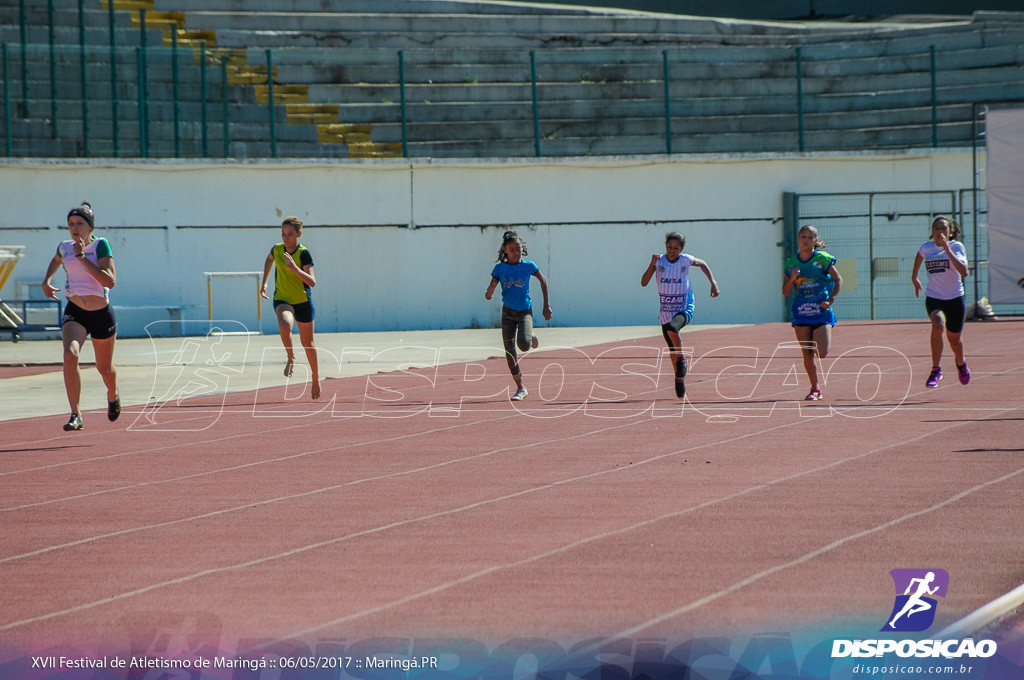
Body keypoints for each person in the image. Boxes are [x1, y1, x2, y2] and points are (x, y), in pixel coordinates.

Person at [41, 202, 120, 431]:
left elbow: (110, 281)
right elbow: (56, 260)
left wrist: (83, 259)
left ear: (90, 227)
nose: (75, 228)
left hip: (101, 314)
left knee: (104, 368)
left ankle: (113, 394)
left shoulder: (100, 246)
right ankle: (76, 414)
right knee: (70, 354)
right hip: (75, 311)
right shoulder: (64, 247)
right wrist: (46, 281)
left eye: (80, 224)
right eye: (71, 224)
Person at [640, 231, 720, 398]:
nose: (672, 251)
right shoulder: (659, 261)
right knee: (671, 349)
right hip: (665, 310)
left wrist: (713, 283)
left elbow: (703, 263)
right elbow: (644, 282)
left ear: (682, 249)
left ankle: (682, 360)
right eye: (669, 247)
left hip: (684, 307)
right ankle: (679, 378)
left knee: (673, 328)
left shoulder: (685, 260)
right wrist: (651, 264)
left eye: (676, 248)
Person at [484, 230, 553, 402]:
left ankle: (530, 333)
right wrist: (489, 292)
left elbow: (543, 281)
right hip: (508, 313)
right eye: (512, 249)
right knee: (509, 351)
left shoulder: (528, 266)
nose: (516, 252)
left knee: (523, 345)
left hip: (524, 312)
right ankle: (521, 387)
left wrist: (546, 306)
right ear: (505, 251)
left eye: (518, 249)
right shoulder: (500, 268)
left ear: (523, 249)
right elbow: (493, 283)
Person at [260, 216, 321, 400]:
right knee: (285, 325)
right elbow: (269, 260)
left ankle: (316, 377)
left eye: (290, 235)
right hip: (283, 299)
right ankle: (291, 357)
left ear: (298, 234)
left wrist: (295, 268)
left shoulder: (304, 254)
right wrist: (264, 283)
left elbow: (312, 282)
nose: (285, 238)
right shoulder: (277, 249)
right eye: (283, 234)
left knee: (308, 343)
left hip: (302, 301)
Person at [782, 224, 842, 401]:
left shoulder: (823, 259)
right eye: (803, 236)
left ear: (815, 240)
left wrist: (830, 299)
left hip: (821, 312)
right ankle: (815, 388)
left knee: (822, 352)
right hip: (801, 312)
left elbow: (838, 279)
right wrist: (792, 278)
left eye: (809, 237)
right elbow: (785, 291)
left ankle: (820, 339)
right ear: (798, 239)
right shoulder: (791, 262)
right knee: (807, 352)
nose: (806, 240)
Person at [910, 215, 970, 388]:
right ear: (932, 231)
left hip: (954, 299)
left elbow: (964, 272)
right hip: (934, 297)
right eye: (936, 228)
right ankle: (936, 369)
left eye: (943, 228)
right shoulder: (926, 248)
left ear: (950, 232)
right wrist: (914, 278)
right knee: (937, 324)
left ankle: (960, 362)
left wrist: (946, 248)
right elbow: (919, 257)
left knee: (955, 340)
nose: (939, 231)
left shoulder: (956, 246)